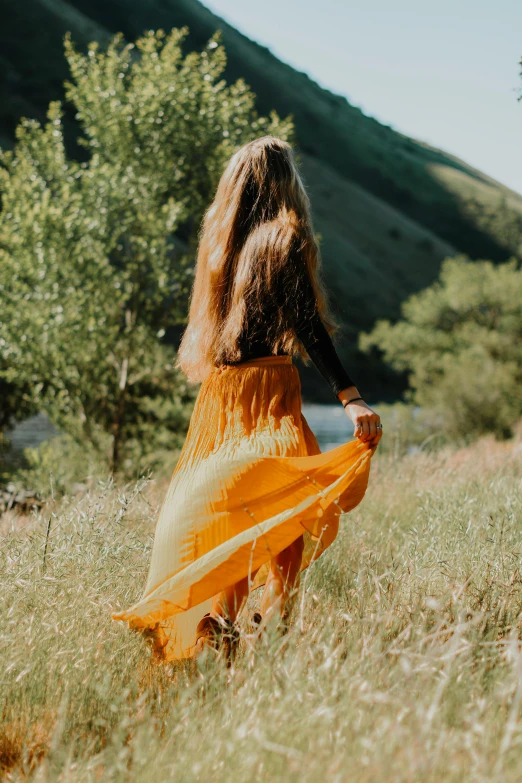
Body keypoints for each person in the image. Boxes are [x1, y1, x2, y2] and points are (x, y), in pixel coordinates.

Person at [112, 136, 382, 662]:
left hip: (221, 395)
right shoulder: (285, 237)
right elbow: (307, 324)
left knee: (235, 520)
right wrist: (350, 397)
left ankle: (225, 628)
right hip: (266, 392)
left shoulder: (221, 247)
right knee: (284, 525)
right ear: (285, 182)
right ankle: (268, 644)